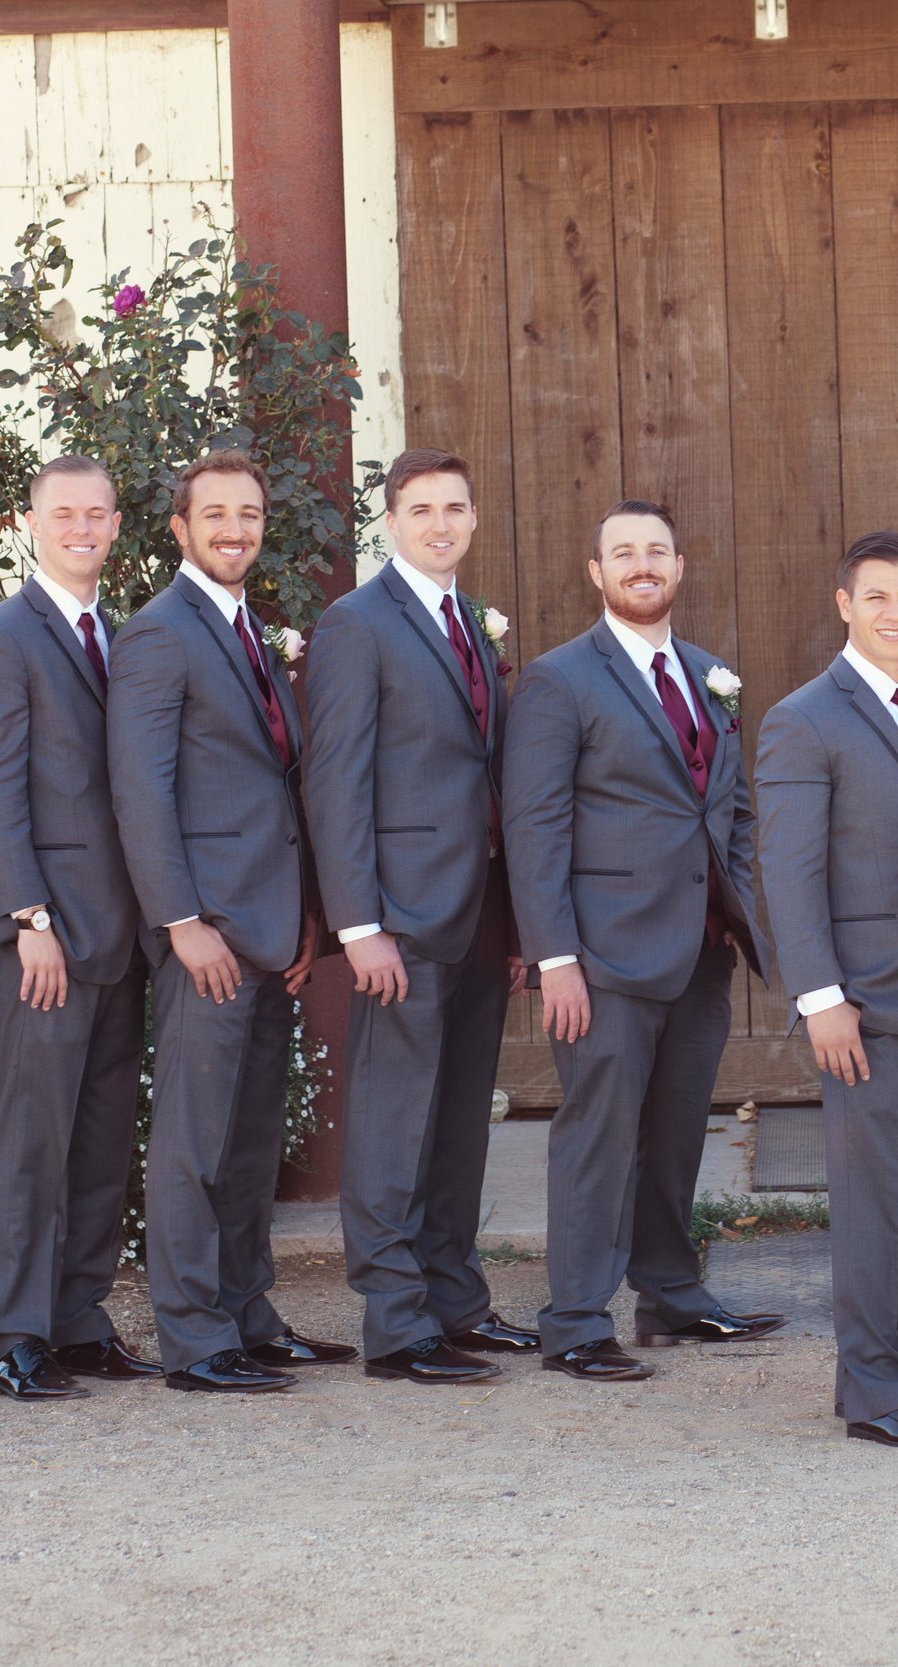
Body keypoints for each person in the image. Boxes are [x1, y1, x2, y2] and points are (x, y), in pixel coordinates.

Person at [505, 499, 782, 1385]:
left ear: (679, 565)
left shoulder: (710, 675)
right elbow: (535, 826)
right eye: (622, 552)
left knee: (675, 1130)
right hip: (602, 954)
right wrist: (555, 957)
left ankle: (670, 1291)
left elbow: (730, 806)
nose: (641, 564)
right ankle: (576, 1319)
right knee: (598, 1133)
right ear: (596, 572)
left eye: (655, 550)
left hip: (700, 950)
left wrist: (735, 908)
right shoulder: (559, 680)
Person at [109, 450, 351, 1394]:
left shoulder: (248, 630)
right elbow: (142, 791)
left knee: (253, 1141)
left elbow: (277, 789)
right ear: (179, 529)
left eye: (248, 515)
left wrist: (302, 926)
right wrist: (181, 921)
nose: (234, 531)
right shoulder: (159, 634)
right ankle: (196, 1337)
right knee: (194, 1140)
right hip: (205, 934)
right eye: (215, 515)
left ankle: (248, 1311)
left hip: (267, 932)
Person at [304, 447, 538, 1386]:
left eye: (455, 507)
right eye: (421, 509)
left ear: (473, 519)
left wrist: (516, 925)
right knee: (396, 1118)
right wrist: (360, 925)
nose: (440, 524)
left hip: (478, 908)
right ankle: (397, 1323)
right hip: (400, 913)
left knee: (457, 1119)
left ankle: (454, 1298)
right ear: (390, 522)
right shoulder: (357, 623)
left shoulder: (469, 627)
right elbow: (335, 781)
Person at [755, 532, 898, 1449]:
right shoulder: (804, 717)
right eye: (877, 595)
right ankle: (876, 1396)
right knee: (872, 1208)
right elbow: (789, 868)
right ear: (843, 602)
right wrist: (820, 998)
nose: (895, 611)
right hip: (865, 1010)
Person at [0, 456, 155, 1400]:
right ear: (29, 522)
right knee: (34, 1138)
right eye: (62, 513)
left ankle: (77, 1317)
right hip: (46, 933)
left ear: (117, 526)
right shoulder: (0, 639)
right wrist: (26, 913)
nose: (82, 527)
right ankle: (13, 1334)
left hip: (117, 931)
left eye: (97, 514)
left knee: (102, 1137)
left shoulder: (116, 633)